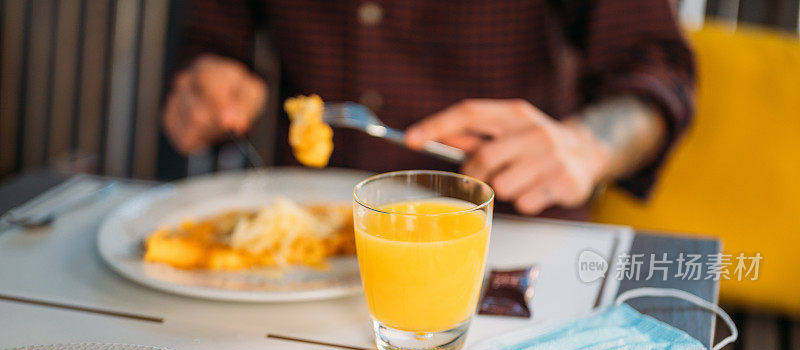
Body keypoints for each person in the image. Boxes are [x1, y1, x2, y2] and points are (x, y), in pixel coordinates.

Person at [163, 0, 695, 218]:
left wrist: (588, 144)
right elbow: (214, 34)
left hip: (502, 245)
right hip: (303, 235)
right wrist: (208, 81)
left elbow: (658, 70)